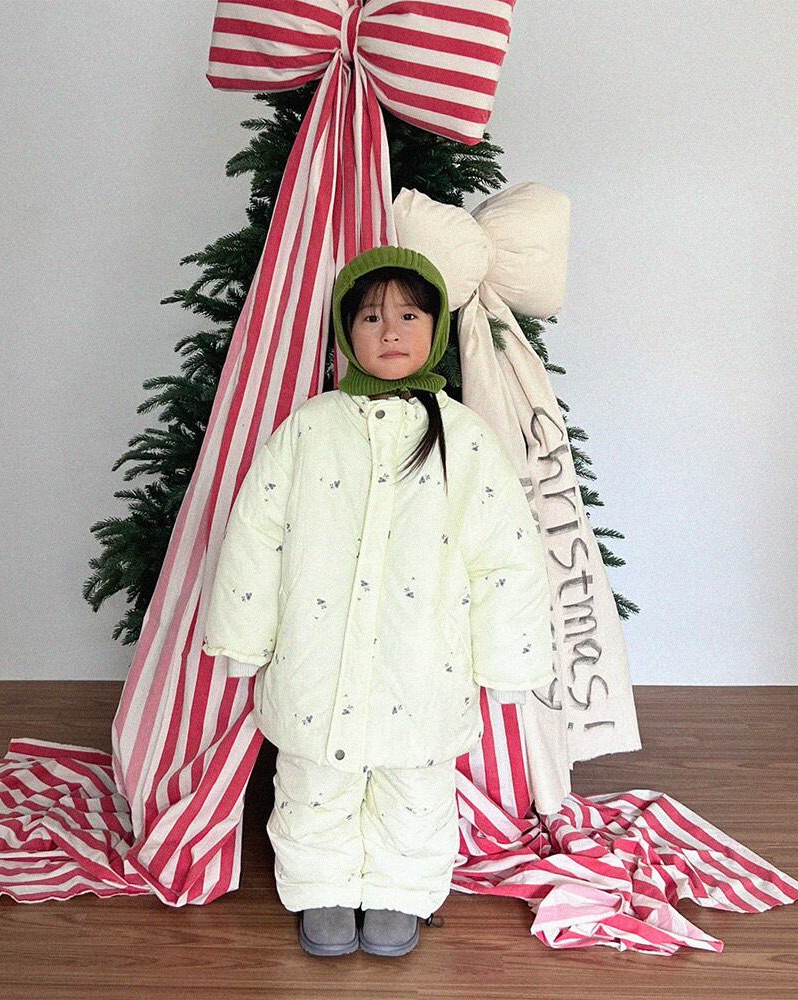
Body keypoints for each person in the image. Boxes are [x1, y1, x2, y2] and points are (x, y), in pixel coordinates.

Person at [202, 245, 554, 957]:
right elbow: (255, 534)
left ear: (436, 328)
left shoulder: (464, 438)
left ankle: (402, 891)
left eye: (409, 316)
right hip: (317, 654)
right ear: (346, 331)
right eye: (370, 317)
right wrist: (243, 637)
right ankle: (320, 886)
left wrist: (509, 661)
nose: (390, 331)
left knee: (415, 786)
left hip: (421, 660)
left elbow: (504, 554)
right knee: (313, 781)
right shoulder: (309, 429)